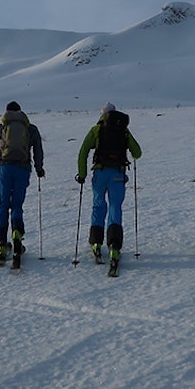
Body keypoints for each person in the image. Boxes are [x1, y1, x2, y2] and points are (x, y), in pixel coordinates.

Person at [76, 102, 142, 272]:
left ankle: (96, 242)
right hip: (118, 175)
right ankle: (114, 245)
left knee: (98, 205)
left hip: (100, 173)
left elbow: (83, 152)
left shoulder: (96, 130)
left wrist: (82, 174)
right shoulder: (123, 130)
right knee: (115, 207)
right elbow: (137, 153)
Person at [0, 101, 45, 264]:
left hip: (5, 168)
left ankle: (1, 244)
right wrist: (39, 168)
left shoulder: (1, 127)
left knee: (3, 205)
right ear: (20, 112)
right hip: (23, 168)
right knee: (17, 205)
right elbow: (38, 149)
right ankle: (17, 235)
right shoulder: (30, 128)